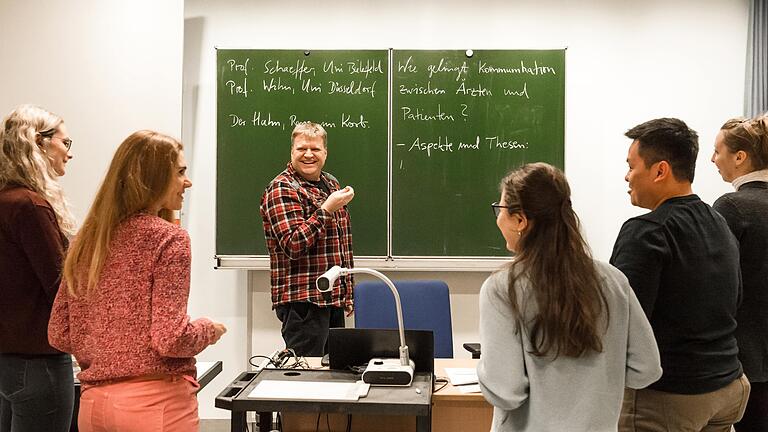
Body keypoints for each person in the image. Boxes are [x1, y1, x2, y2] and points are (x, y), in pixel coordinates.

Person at [48, 130, 227, 432]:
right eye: (180, 172)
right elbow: (171, 338)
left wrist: (107, 343)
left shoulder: (85, 241)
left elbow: (59, 334)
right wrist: (208, 329)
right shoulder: (169, 239)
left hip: (94, 407)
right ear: (154, 177)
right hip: (154, 406)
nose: (188, 181)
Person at [477, 162, 662, 432]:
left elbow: (506, 391)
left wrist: (484, 370)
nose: (498, 218)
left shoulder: (503, 288)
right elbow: (646, 369)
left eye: (501, 209)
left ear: (520, 220)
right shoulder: (613, 281)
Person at [611, 118, 750, 431]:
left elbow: (621, 324)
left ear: (660, 171)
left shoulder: (646, 232)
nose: (626, 176)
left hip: (670, 396)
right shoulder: (719, 221)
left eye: (632, 166)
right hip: (727, 385)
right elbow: (735, 299)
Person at [0, 104, 76, 432]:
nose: (69, 154)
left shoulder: (5, 200)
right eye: (65, 143)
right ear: (39, 142)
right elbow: (60, 286)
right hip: (37, 363)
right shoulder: (30, 206)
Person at [260, 122, 355, 357]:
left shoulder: (330, 183)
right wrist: (326, 209)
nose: (309, 155)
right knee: (306, 380)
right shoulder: (281, 189)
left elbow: (341, 243)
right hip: (303, 303)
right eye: (302, 149)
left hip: (331, 299)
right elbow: (293, 244)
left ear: (325, 153)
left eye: (315, 149)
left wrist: (347, 292)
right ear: (292, 152)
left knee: (332, 375)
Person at [711, 116, 768, 432]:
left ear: (740, 156)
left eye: (717, 150)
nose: (712, 159)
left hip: (747, 360)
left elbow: (717, 285)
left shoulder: (732, 207)